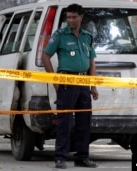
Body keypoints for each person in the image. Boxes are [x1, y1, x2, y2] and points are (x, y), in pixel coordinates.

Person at [41, 4, 99, 169]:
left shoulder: (87, 36)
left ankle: (82, 157)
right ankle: (60, 157)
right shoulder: (60, 35)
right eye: (68, 17)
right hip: (67, 83)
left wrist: (93, 86)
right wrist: (55, 80)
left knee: (84, 122)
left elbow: (91, 63)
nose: (70, 20)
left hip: (84, 84)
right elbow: (45, 56)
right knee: (64, 123)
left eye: (74, 17)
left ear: (81, 17)